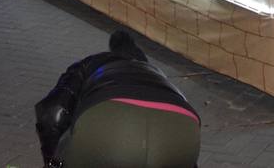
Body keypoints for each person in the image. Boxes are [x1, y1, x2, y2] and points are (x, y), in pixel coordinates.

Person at [35, 29, 200, 168]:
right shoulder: (158, 75)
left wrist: (53, 162)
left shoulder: (90, 63)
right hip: (182, 127)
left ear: (112, 52)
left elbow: (53, 113)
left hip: (115, 122)